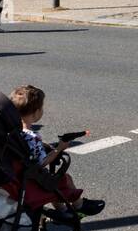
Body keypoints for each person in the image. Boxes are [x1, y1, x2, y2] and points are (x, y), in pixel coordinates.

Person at [7, 84, 103, 220]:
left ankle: (62, 210)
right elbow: (43, 162)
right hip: (28, 180)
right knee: (62, 179)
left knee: (50, 178)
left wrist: (42, 145)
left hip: (13, 176)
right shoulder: (32, 137)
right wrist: (59, 148)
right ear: (36, 112)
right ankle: (79, 205)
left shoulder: (12, 131)